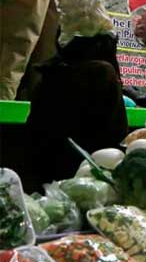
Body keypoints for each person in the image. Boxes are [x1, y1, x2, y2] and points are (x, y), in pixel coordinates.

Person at [25, 33, 128, 189]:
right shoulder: (101, 73)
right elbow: (117, 137)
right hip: (86, 181)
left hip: (44, 180)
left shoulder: (49, 75)